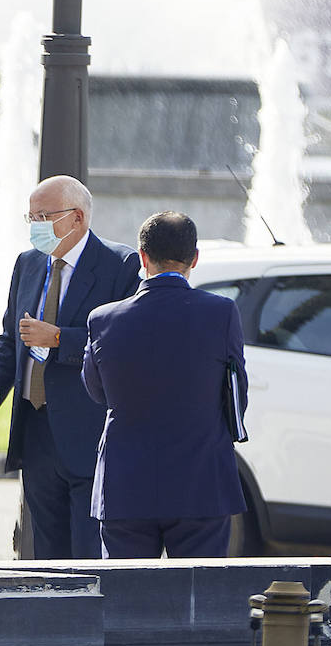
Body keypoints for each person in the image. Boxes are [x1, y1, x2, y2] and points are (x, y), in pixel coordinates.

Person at [0, 175, 140, 560]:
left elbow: (120, 345)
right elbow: (10, 338)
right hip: (35, 431)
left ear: (77, 218)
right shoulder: (28, 264)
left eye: (44, 216)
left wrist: (61, 338)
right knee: (45, 555)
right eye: (30, 217)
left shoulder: (119, 265)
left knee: (85, 553)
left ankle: (84, 621)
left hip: (85, 429)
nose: (36, 227)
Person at [82, 211, 248, 558]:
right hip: (201, 483)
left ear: (143, 257)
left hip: (125, 485)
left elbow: (97, 391)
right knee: (198, 602)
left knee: (125, 602)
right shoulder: (221, 313)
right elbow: (236, 395)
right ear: (195, 259)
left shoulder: (102, 319)